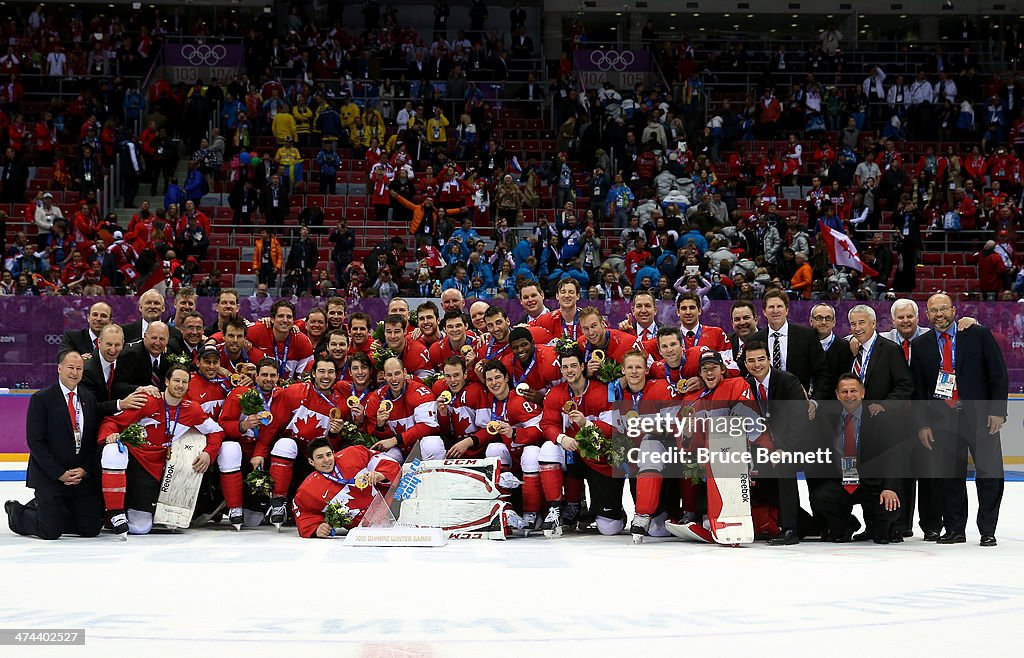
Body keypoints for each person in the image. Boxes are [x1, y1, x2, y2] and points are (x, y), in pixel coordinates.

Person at [910, 294, 1008, 547]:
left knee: (989, 474)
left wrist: (997, 411)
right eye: (934, 310)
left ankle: (988, 529)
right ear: (927, 314)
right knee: (950, 477)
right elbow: (919, 390)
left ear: (954, 310)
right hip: (943, 419)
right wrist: (923, 424)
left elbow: (997, 373)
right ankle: (954, 529)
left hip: (981, 416)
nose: (939, 314)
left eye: (944, 309)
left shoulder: (977, 334)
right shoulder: (921, 345)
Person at [97, 364, 224, 537]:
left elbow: (216, 431)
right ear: (166, 381)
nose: (180, 385)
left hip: (158, 467)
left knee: (141, 528)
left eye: (184, 382)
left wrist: (208, 453)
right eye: (176, 380)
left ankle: (122, 512)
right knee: (112, 451)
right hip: (136, 460)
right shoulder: (148, 401)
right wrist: (110, 435)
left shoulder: (192, 409)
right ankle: (114, 512)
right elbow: (112, 421)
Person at [6, 352, 106, 539]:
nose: (75, 372)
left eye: (79, 369)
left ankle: (52, 512)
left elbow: (92, 440)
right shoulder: (42, 399)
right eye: (70, 367)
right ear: (59, 368)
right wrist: (59, 473)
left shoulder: (88, 399)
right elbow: (35, 442)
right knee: (50, 532)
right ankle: (18, 512)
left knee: (91, 529)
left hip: (79, 476)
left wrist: (84, 469)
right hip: (50, 476)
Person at [809, 373, 902, 543]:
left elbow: (893, 456)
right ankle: (847, 524)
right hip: (843, 482)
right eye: (844, 392)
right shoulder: (828, 417)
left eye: (853, 391)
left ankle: (880, 527)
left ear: (862, 393)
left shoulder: (879, 417)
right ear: (837, 395)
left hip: (872, 483)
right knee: (820, 497)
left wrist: (890, 487)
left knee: (888, 514)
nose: (849, 396)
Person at [743, 341, 812, 545]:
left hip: (792, 444)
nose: (757, 365)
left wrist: (784, 449)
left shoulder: (787, 381)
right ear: (746, 364)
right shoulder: (745, 384)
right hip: (763, 446)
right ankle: (807, 523)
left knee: (783, 465)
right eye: (751, 360)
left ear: (770, 360)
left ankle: (790, 529)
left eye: (761, 359)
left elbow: (798, 420)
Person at [292, 438, 401, 538]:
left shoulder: (353, 454)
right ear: (311, 462)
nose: (326, 460)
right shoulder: (308, 489)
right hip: (366, 533)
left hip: (396, 509)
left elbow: (388, 462)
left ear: (334, 453)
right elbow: (303, 512)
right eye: (320, 457)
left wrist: (381, 474)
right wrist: (316, 528)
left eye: (329, 454)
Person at [749, 290, 829, 398]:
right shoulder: (754, 339)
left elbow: (822, 373)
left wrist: (815, 402)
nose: (775, 311)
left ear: (786, 310)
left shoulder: (807, 336)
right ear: (764, 311)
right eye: (771, 307)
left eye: (779, 306)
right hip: (764, 403)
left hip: (800, 403)